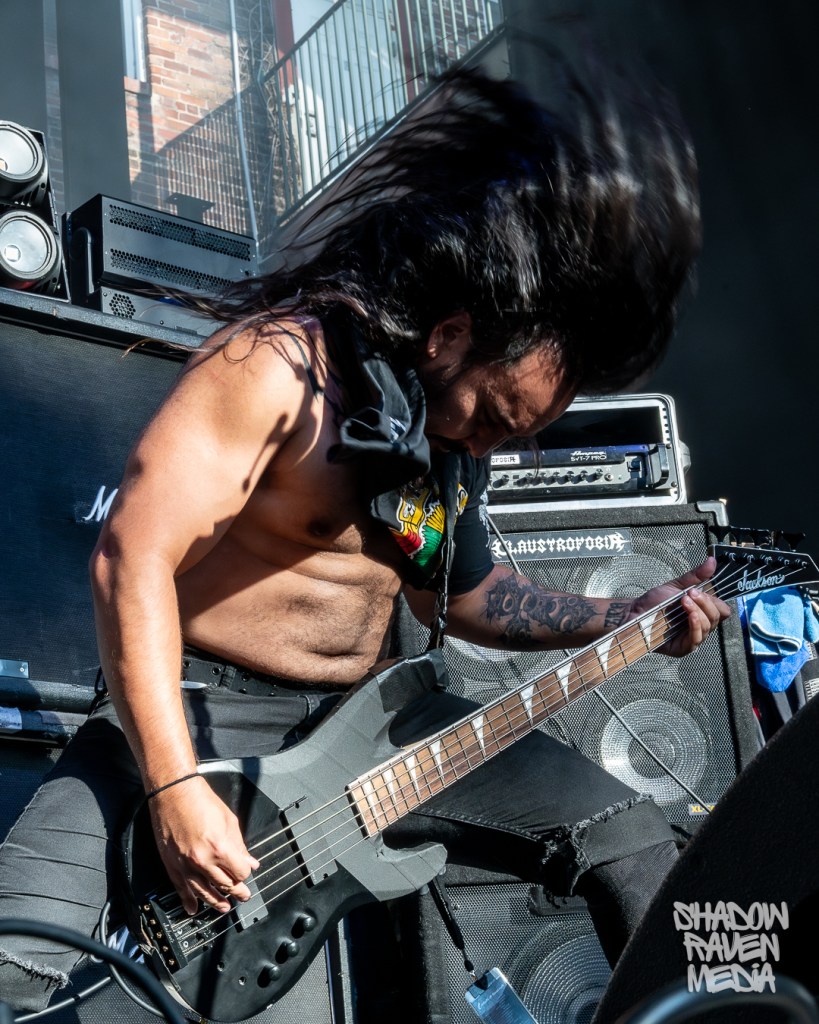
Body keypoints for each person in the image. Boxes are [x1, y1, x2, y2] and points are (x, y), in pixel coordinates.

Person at [0, 68, 730, 1013]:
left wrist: (622, 614)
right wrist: (174, 784)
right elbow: (131, 558)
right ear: (447, 337)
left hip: (376, 729)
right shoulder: (276, 370)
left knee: (631, 838)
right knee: (13, 961)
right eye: (492, 416)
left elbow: (467, 600)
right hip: (198, 708)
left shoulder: (444, 439)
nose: (488, 446)